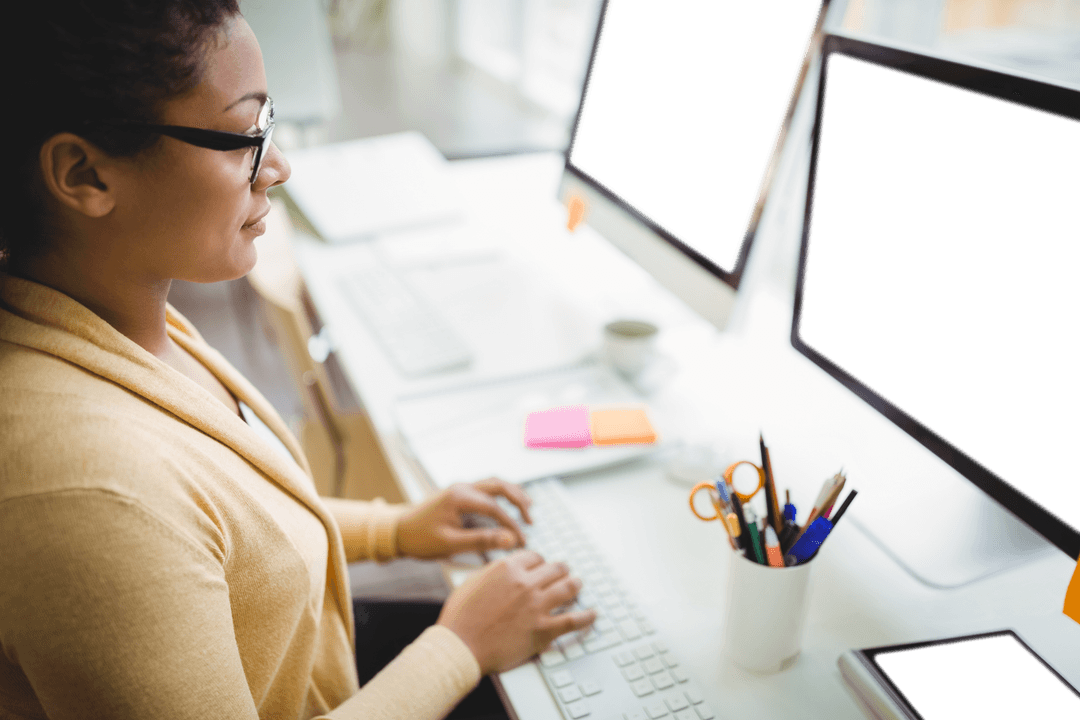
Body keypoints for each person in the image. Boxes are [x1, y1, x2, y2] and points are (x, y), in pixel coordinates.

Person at [0, 2, 597, 719]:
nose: (277, 165)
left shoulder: (107, 318)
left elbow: (221, 535)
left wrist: (397, 528)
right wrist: (459, 648)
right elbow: (148, 520)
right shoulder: (87, 492)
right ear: (84, 173)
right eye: (243, 135)